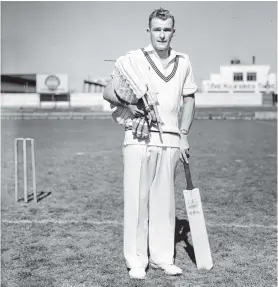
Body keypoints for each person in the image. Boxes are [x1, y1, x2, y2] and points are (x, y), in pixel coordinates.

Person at [103, 7, 197, 280]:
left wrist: (184, 134)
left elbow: (189, 98)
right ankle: (136, 260)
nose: (162, 34)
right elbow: (108, 91)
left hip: (170, 140)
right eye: (157, 29)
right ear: (149, 31)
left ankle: (162, 258)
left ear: (173, 32)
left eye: (167, 29)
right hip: (139, 138)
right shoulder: (133, 59)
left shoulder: (184, 61)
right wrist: (130, 103)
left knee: (164, 203)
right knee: (137, 200)